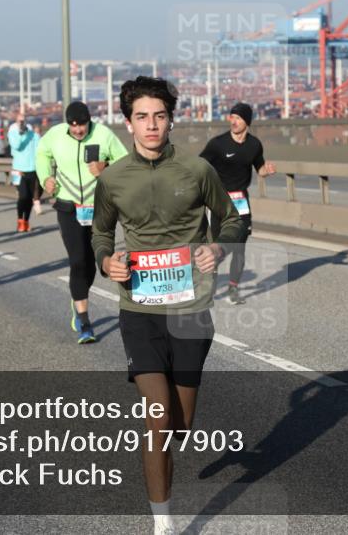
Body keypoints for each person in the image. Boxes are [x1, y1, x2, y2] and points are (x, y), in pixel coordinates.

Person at [92, 77, 242, 535]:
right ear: (128, 123)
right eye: (142, 117)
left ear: (171, 120)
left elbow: (232, 220)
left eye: (159, 116)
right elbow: (101, 232)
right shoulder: (113, 178)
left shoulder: (198, 170)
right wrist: (106, 261)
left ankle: (172, 445)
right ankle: (163, 523)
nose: (151, 125)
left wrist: (217, 248)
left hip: (190, 310)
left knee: (181, 425)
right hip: (139, 310)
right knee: (157, 416)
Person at [36, 101, 129, 344]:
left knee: (94, 264)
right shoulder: (55, 135)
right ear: (67, 124)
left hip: (99, 207)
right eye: (73, 126)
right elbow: (42, 153)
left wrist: (105, 167)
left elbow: (127, 163)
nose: (78, 130)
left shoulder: (104, 135)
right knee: (78, 261)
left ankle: (77, 295)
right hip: (68, 207)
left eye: (82, 125)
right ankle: (84, 321)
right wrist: (45, 178)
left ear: (89, 121)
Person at [199, 103, 276, 304]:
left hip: (241, 202)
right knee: (217, 248)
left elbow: (259, 168)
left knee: (240, 247)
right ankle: (209, 287)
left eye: (238, 118)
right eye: (231, 117)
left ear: (247, 122)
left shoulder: (254, 145)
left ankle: (232, 289)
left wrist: (266, 171)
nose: (233, 121)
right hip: (219, 202)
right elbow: (200, 166)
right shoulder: (218, 144)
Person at [7, 112, 40, 232]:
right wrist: (21, 133)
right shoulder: (12, 133)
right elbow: (16, 146)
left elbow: (40, 149)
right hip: (18, 170)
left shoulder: (33, 135)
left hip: (32, 169)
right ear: (16, 122)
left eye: (23, 121)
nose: (21, 123)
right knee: (23, 196)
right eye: (19, 121)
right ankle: (20, 219)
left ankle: (26, 221)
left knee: (30, 198)